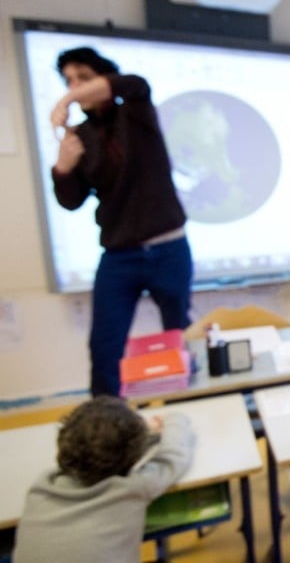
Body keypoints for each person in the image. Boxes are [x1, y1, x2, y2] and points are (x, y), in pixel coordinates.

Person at [50, 47, 192, 397]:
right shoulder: (81, 136)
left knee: (180, 336)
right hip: (119, 255)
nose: (75, 87)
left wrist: (67, 98)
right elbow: (71, 201)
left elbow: (134, 83)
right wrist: (63, 168)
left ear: (101, 78)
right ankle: (106, 427)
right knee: (105, 346)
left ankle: (193, 402)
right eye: (68, 80)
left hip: (168, 246)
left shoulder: (135, 113)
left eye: (83, 78)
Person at [13, 396, 195, 562]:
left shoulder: (41, 487)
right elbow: (174, 457)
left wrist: (146, 436)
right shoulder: (132, 488)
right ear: (135, 458)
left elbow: (96, 448)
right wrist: (174, 419)